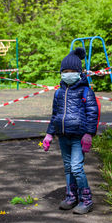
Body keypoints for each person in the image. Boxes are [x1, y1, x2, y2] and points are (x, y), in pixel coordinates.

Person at [43, 47, 98, 214]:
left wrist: (89, 134)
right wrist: (49, 133)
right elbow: (55, 115)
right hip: (63, 136)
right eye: (64, 71)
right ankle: (71, 196)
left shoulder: (86, 91)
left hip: (78, 137)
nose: (68, 74)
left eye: (72, 71)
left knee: (76, 168)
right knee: (68, 167)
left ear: (79, 73)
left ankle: (86, 200)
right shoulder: (58, 93)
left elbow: (92, 112)